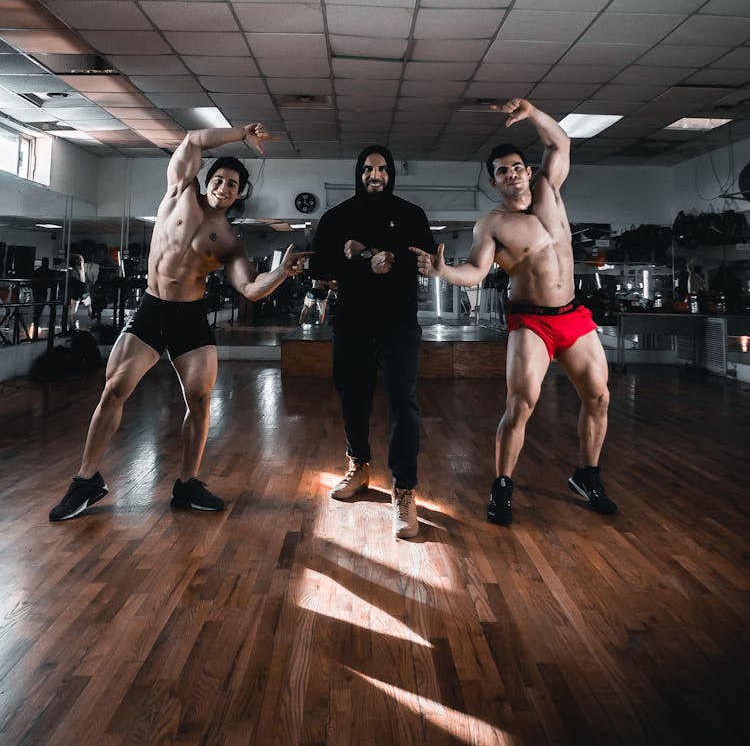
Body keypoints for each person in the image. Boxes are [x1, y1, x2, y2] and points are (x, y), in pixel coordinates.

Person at [49, 123, 308, 521]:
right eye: (219, 179)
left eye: (233, 185)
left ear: (240, 195)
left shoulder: (228, 240)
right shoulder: (179, 192)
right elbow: (192, 140)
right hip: (152, 308)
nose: (224, 187)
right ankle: (86, 480)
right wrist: (241, 134)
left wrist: (280, 274)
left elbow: (251, 289)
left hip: (190, 316)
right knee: (114, 389)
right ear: (206, 181)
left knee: (200, 400)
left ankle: (187, 484)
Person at [411, 98, 617, 525]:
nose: (512, 174)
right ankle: (503, 485)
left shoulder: (550, 190)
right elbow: (476, 271)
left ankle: (587, 475)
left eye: (516, 166)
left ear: (528, 170)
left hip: (573, 314)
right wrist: (443, 271)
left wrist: (534, 112)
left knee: (599, 397)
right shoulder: (492, 225)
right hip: (531, 321)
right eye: (502, 171)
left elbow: (560, 142)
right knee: (521, 403)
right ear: (495, 181)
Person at [310, 145, 436, 539]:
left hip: (398, 326)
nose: (374, 175)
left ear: (392, 173)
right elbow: (319, 266)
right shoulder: (337, 217)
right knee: (353, 402)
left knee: (404, 404)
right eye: (367, 169)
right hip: (351, 325)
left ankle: (404, 489)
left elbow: (426, 257)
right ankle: (359, 467)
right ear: (359, 173)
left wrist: (386, 256)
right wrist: (362, 259)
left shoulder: (411, 215)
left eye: (381, 169)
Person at [31, 257, 56, 340]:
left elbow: (32, 282)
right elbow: (51, 282)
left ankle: (36, 321)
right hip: (42, 292)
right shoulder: (49, 272)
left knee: (37, 307)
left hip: (37, 291)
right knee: (40, 307)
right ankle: (36, 321)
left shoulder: (37, 271)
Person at [67, 253, 92, 330]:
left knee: (74, 310)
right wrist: (74, 255)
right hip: (82, 289)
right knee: (88, 307)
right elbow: (81, 258)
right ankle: (92, 322)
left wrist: (71, 255)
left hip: (78, 289)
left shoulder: (72, 271)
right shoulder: (81, 268)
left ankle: (74, 324)